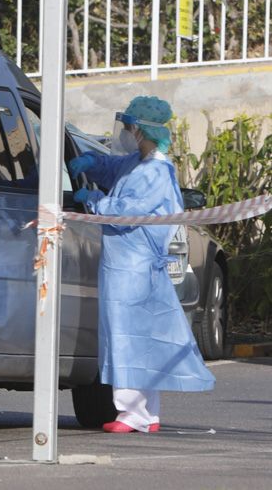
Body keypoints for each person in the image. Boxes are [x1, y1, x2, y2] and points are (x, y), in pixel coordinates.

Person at [67, 95, 214, 434]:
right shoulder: (138, 162)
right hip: (130, 265)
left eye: (132, 127)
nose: (128, 132)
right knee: (142, 338)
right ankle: (148, 413)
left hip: (132, 267)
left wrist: (93, 200)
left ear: (144, 130)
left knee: (126, 338)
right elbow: (112, 167)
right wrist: (89, 161)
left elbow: (124, 211)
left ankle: (132, 412)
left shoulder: (155, 172)